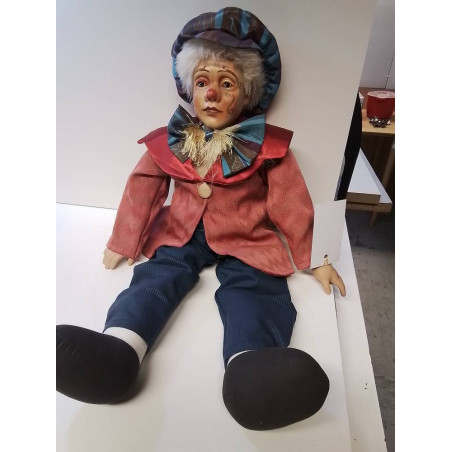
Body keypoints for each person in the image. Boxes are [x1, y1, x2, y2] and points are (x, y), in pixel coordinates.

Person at [56, 7, 345, 431]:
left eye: (226, 84)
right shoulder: (174, 140)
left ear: (248, 93)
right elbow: (144, 185)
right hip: (182, 231)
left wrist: (314, 257)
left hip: (246, 236)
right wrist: (123, 240)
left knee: (254, 286)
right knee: (157, 277)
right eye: (202, 82)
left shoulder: (267, 148)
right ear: (189, 87)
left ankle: (250, 370)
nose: (211, 93)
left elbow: (291, 203)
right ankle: (118, 350)